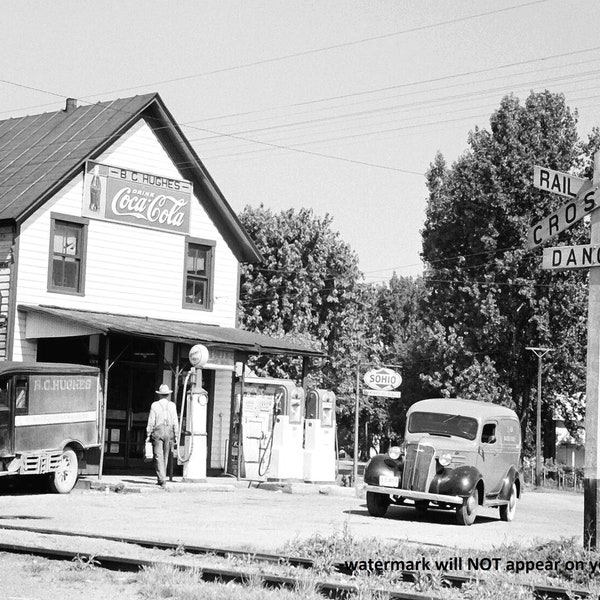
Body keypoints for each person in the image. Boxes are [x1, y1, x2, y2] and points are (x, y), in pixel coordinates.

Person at [146, 384, 179, 488]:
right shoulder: (172, 405)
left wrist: (148, 433)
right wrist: (177, 434)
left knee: (158, 455)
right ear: (168, 395)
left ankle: (162, 478)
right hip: (169, 430)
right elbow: (175, 421)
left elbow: (151, 421)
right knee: (165, 454)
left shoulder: (154, 405)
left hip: (158, 430)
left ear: (160, 395)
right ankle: (162, 477)